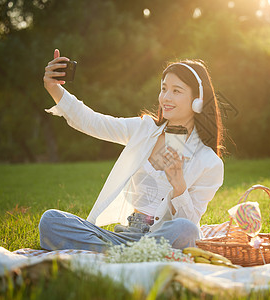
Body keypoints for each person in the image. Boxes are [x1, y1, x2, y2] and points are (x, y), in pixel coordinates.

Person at [39, 49, 224, 252]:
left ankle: (120, 255)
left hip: (163, 237)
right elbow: (94, 122)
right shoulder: (143, 129)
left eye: (176, 91)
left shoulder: (209, 162)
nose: (166, 98)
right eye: (163, 89)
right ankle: (129, 255)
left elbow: (188, 225)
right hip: (125, 236)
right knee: (51, 220)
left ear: (197, 100)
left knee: (186, 229)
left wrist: (179, 186)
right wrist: (54, 89)